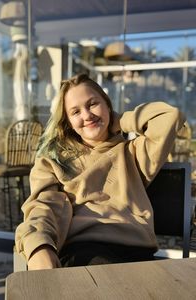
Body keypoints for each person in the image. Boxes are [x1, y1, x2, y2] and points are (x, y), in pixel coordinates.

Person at [15, 73, 185, 270]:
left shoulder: (133, 153)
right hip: (84, 251)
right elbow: (44, 206)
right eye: (76, 112)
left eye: (93, 104)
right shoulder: (53, 161)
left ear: (107, 105)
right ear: (68, 122)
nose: (87, 115)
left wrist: (120, 121)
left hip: (137, 252)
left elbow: (170, 117)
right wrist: (39, 245)